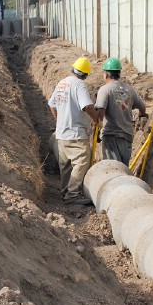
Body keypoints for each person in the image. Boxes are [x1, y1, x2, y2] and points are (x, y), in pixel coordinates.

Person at [48, 57, 100, 206]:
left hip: (61, 133)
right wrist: (96, 118)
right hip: (75, 133)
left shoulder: (61, 83)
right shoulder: (79, 85)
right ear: (85, 75)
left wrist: (59, 120)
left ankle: (66, 192)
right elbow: (87, 106)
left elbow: (51, 104)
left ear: (73, 69)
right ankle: (72, 195)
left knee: (65, 165)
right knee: (82, 161)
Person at [95, 57, 148, 165]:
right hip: (127, 135)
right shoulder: (129, 88)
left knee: (113, 169)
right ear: (119, 73)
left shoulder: (105, 89)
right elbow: (142, 107)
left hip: (110, 135)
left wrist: (96, 131)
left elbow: (100, 112)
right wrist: (142, 116)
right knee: (123, 167)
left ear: (106, 74)